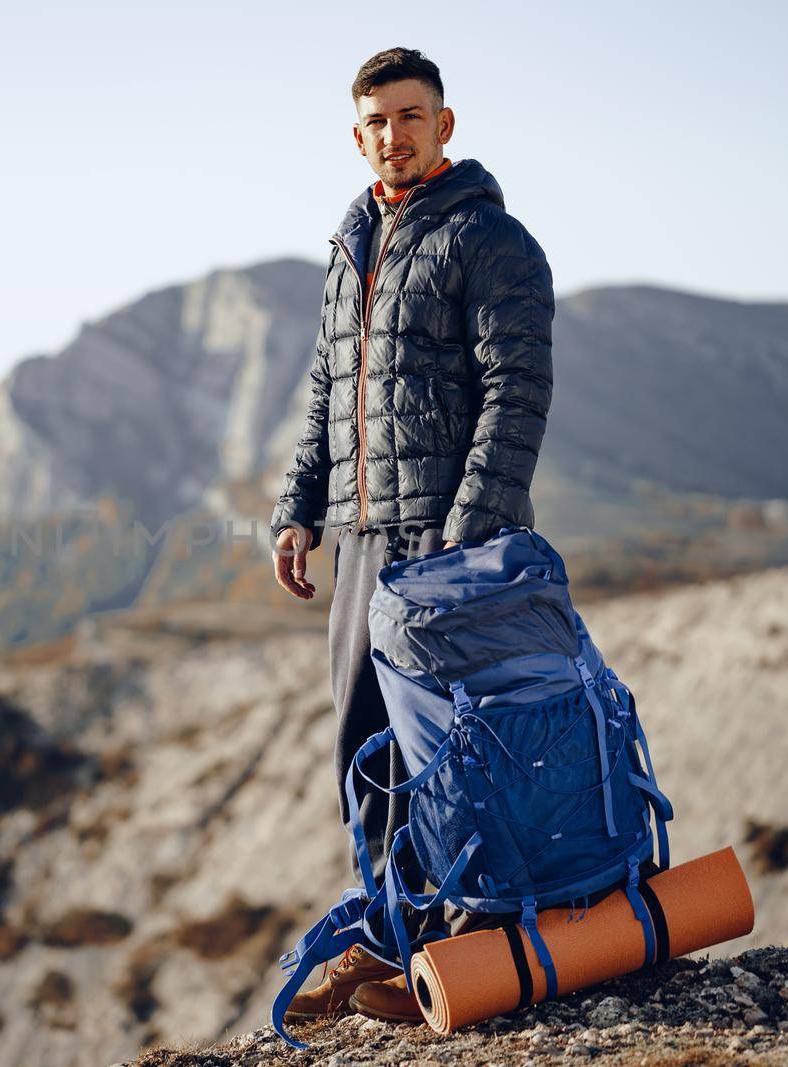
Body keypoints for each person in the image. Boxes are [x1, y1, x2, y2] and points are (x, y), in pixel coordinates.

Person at [269, 46, 555, 1024]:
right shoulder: (350, 243)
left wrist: (468, 531)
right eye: (376, 121)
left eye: (410, 115)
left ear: (444, 124)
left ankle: (459, 939)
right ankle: (402, 938)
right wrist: (297, 507)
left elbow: (517, 391)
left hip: (444, 541)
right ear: (358, 137)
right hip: (361, 536)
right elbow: (326, 393)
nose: (394, 133)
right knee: (366, 743)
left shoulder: (488, 238)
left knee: (450, 747)